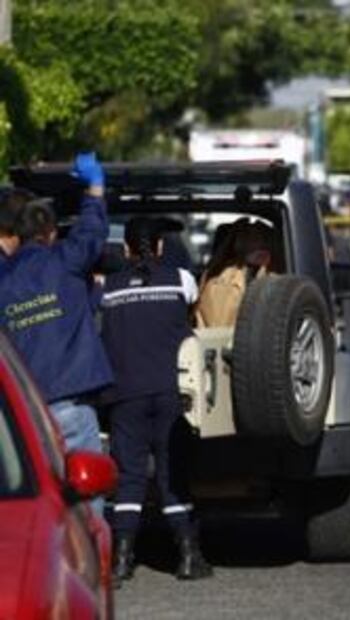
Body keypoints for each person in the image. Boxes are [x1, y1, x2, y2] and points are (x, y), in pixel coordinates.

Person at [99, 217, 213, 585]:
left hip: (124, 396)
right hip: (170, 392)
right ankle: (187, 557)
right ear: (161, 247)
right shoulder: (182, 280)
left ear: (126, 248)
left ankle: (120, 561)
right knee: (173, 475)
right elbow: (196, 319)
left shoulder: (108, 289)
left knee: (129, 478)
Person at [0, 154, 111, 467]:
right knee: (86, 500)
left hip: (24, 418)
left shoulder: (4, 280)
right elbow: (91, 232)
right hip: (71, 406)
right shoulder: (66, 262)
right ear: (50, 233)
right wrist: (95, 188)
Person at [195, 220, 273, 327]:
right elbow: (220, 329)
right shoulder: (221, 279)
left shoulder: (273, 272)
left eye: (266, 240)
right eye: (254, 239)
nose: (263, 245)